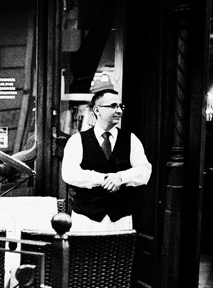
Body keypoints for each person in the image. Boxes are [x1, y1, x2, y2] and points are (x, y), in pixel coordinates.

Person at [61, 89, 151, 231]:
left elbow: (144, 171)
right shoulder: (77, 140)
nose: (119, 111)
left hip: (120, 219)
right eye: (113, 106)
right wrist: (104, 179)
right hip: (86, 219)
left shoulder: (130, 139)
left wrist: (120, 177)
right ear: (97, 110)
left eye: (120, 106)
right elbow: (69, 173)